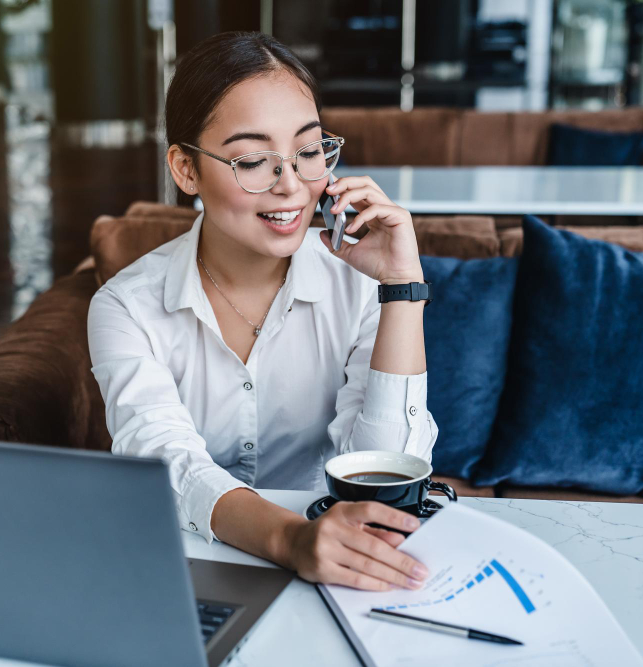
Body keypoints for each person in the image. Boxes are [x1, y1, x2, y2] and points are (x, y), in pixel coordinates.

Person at [88, 31, 438, 592]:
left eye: (308, 150)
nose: (293, 186)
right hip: (187, 562)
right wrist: (289, 540)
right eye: (253, 160)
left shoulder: (358, 285)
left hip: (340, 562)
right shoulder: (126, 306)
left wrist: (402, 287)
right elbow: (165, 463)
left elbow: (385, 475)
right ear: (184, 169)